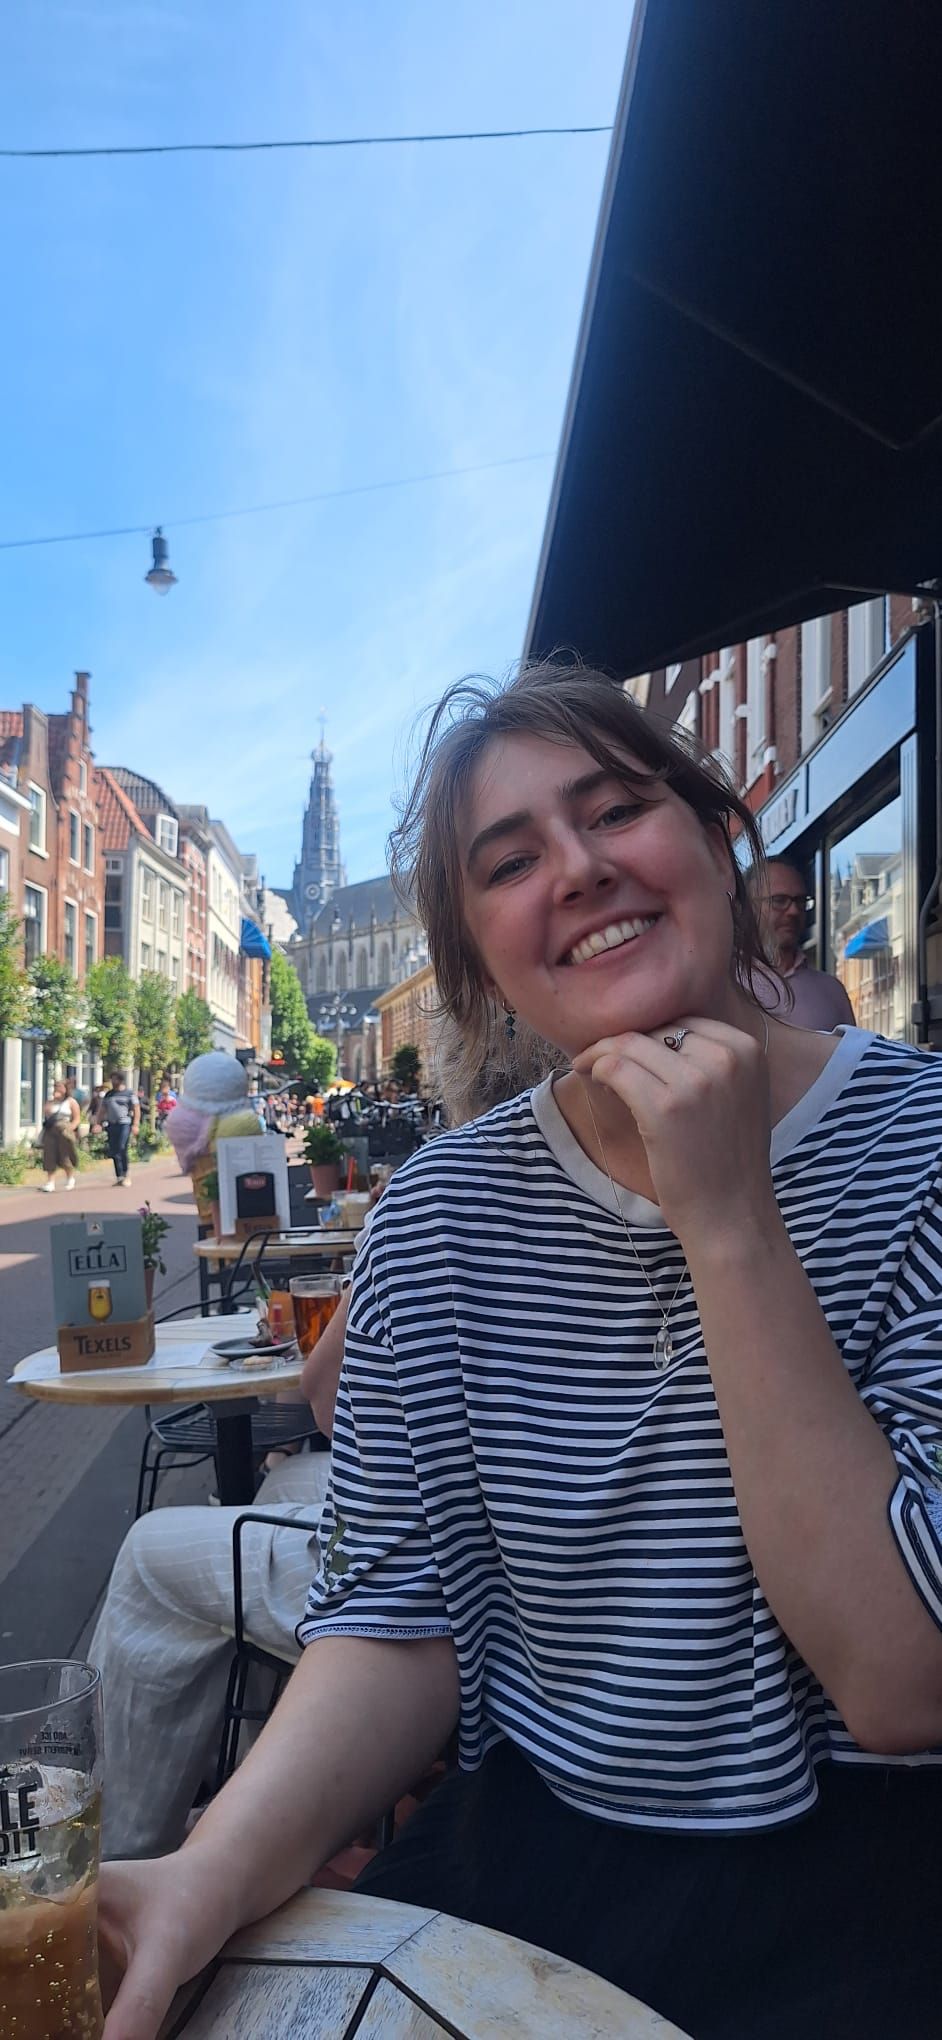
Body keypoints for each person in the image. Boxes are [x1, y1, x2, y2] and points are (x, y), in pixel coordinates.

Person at [99, 662, 942, 2040]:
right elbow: (396, 1618)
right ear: (476, 961)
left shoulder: (920, 1148)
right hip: (542, 1848)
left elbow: (906, 1679)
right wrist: (209, 1867)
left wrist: (728, 1219)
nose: (579, 869)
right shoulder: (442, 1211)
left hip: (883, 1883)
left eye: (615, 811)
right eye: (508, 863)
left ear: (719, 844)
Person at [88, 1297, 347, 1861]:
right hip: (500, 1519)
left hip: (437, 1557)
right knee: (284, 1483)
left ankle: (112, 1863)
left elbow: (324, 1392)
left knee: (147, 1558)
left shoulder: (430, 1233)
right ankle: (253, 1786)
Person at [750, 856, 855, 1028]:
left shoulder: (832, 991)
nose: (793, 911)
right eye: (779, 900)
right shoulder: (724, 983)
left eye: (800, 901)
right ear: (748, 907)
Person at [94, 1071, 140, 1187]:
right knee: (114, 1150)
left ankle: (126, 1173)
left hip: (124, 1123)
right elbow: (102, 1109)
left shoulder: (129, 1094)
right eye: (112, 1079)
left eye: (115, 1079)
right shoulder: (109, 1094)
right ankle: (119, 1176)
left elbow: (136, 1108)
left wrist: (135, 1124)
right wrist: (97, 1123)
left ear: (121, 1080)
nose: (113, 1082)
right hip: (111, 1124)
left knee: (122, 1147)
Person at [40, 1078, 81, 1191]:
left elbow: (77, 1118)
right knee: (49, 1154)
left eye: (59, 1087)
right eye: (55, 1087)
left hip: (64, 1129)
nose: (56, 1089)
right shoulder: (50, 1101)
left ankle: (70, 1177)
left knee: (65, 1155)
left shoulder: (71, 1102)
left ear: (65, 1089)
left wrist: (70, 1128)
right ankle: (50, 1182)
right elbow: (46, 1113)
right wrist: (51, 1102)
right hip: (51, 1129)